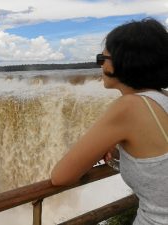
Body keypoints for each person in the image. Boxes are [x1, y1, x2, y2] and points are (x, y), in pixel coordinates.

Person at [51, 18, 168, 225]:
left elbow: (60, 176)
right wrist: (120, 152)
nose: (100, 65)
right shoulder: (164, 99)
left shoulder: (128, 106)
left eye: (102, 58)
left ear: (126, 61)